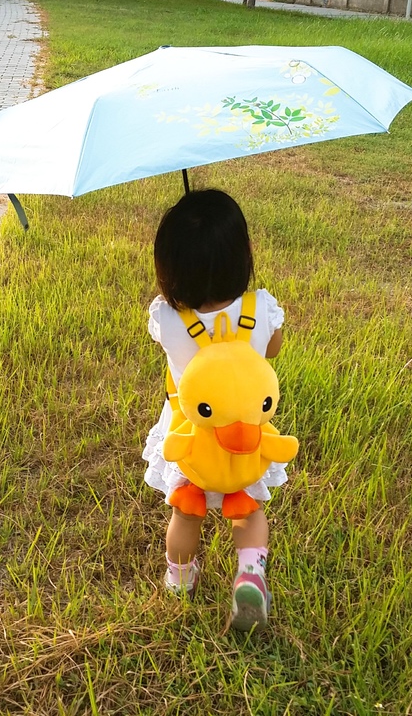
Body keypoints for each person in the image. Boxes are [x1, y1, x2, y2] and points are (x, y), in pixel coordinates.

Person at [143, 189, 289, 632]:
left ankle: (179, 580)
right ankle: (250, 573)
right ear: (243, 255)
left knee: (185, 511)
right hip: (245, 435)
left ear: (168, 267)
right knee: (247, 508)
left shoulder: (167, 319)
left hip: (191, 439)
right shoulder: (261, 308)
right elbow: (275, 350)